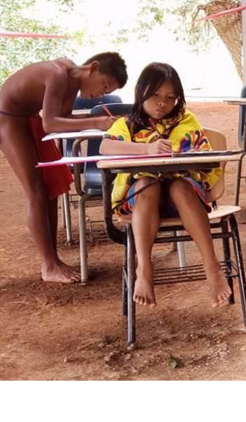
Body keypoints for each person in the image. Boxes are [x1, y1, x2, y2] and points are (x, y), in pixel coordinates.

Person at [0, 52, 128, 283]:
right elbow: (50, 123)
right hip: (9, 118)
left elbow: (63, 117)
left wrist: (100, 123)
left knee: (49, 191)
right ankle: (48, 265)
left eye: (107, 92)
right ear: (92, 67)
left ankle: (53, 260)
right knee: (36, 192)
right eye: (104, 85)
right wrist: (94, 121)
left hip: (28, 120)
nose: (101, 94)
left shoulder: (72, 80)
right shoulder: (58, 74)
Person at [99, 62, 230, 308]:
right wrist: (146, 149)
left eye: (170, 97)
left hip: (185, 199)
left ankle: (212, 267)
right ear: (141, 92)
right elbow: (106, 147)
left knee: (180, 186)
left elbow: (202, 156)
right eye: (156, 95)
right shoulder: (128, 123)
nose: (162, 103)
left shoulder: (186, 120)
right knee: (146, 183)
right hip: (142, 204)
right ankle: (144, 269)